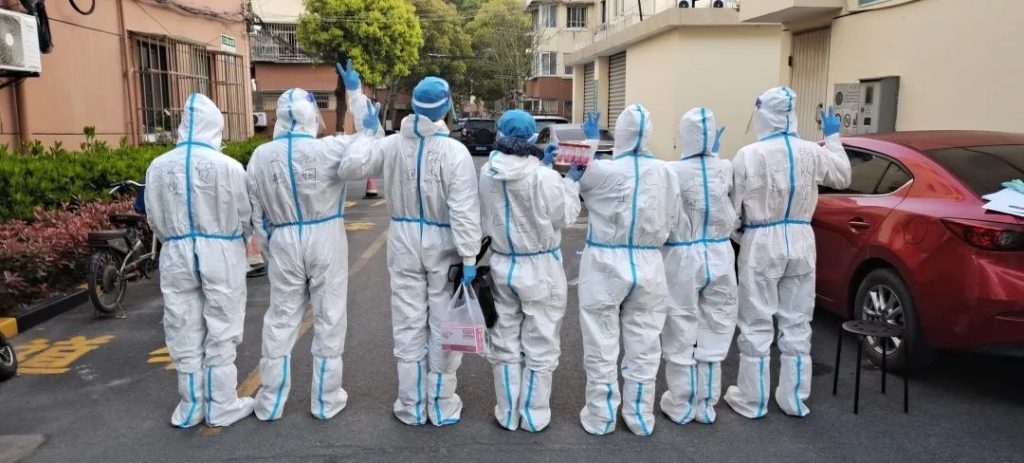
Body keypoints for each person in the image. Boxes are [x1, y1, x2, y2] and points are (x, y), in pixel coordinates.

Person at [337, 76, 482, 426]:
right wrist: (469, 256)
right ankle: (441, 403)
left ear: (414, 107)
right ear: (446, 108)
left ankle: (411, 404)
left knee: (407, 322)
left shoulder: (390, 145)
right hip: (444, 243)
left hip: (402, 240)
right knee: (444, 323)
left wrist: (367, 131)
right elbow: (463, 209)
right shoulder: (454, 153)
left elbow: (350, 167)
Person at [247, 60, 384, 421]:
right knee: (330, 316)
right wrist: (355, 94)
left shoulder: (260, 157)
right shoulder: (328, 149)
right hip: (325, 235)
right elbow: (367, 142)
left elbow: (255, 213)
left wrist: (270, 248)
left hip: (283, 238)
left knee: (280, 319)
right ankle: (325, 400)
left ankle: (270, 402)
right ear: (312, 117)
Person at [724, 86, 850, 418]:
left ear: (764, 114)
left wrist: (740, 234)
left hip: (761, 241)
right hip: (801, 238)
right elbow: (842, 175)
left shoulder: (749, 154)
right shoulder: (811, 151)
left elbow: (731, 210)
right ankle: (794, 398)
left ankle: (752, 399)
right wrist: (832, 138)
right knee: (797, 322)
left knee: (756, 321)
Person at [144, 93, 254, 428]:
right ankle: (222, 404)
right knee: (222, 327)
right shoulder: (229, 167)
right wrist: (237, 240)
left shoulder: (158, 166)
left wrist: (174, 239)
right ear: (215, 125)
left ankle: (191, 406)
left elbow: (153, 217)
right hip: (221, 251)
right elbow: (246, 214)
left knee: (182, 326)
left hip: (176, 252)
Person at [573, 106, 681, 436]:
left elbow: (573, 178)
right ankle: (639, 416)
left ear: (619, 134)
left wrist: (588, 142)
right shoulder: (666, 172)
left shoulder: (602, 171)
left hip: (604, 264)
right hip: (649, 263)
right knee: (645, 344)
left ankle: (601, 416)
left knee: (600, 342)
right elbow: (674, 218)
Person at [478, 110, 582, 432]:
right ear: (532, 138)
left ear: (499, 135)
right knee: (541, 341)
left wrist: (543, 166)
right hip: (540, 268)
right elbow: (563, 216)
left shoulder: (487, 172)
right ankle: (534, 416)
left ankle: (507, 413)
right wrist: (570, 182)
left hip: (502, 264)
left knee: (505, 342)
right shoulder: (544, 178)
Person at [660, 107, 736, 425]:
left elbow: (663, 215)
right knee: (715, 325)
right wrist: (713, 154)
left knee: (680, 325)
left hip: (682, 256)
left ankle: (681, 403)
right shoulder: (725, 168)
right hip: (720, 254)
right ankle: (706, 404)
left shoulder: (670, 171)